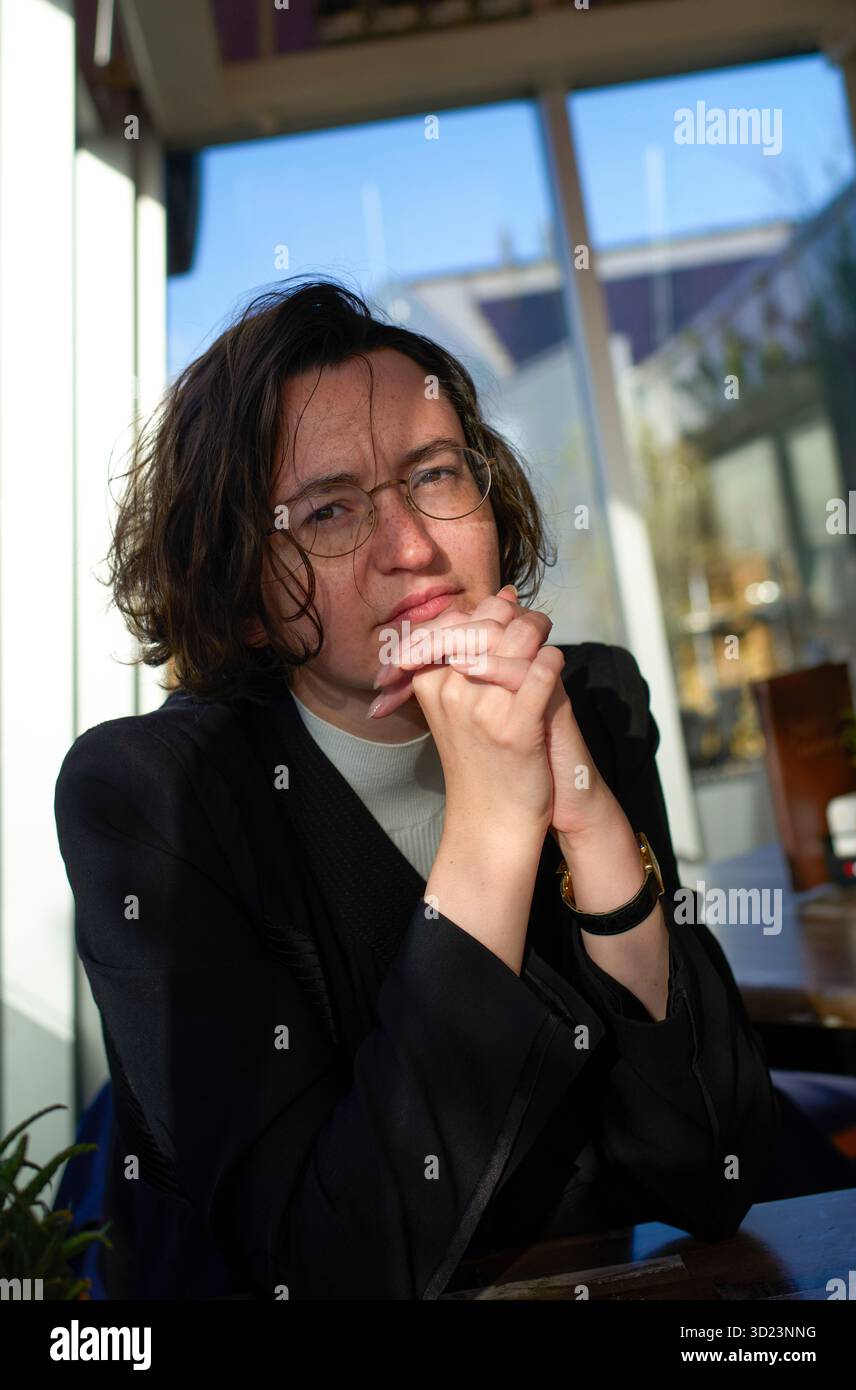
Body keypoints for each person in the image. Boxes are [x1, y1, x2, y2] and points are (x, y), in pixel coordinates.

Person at [54, 276, 781, 1301]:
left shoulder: (591, 702)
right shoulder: (151, 799)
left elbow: (715, 1177)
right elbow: (328, 1273)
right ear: (245, 594)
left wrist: (585, 812)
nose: (412, 547)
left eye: (435, 474)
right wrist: (489, 831)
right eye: (330, 511)